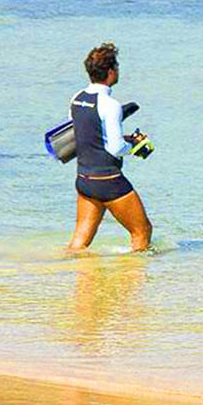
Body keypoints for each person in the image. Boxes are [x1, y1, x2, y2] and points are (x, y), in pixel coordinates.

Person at [66, 42, 153, 252]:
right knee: (142, 231)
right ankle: (134, 279)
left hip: (84, 179)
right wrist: (134, 146)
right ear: (111, 72)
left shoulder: (76, 99)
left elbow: (86, 133)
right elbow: (115, 148)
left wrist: (125, 139)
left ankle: (67, 276)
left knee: (79, 242)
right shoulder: (110, 105)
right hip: (109, 182)